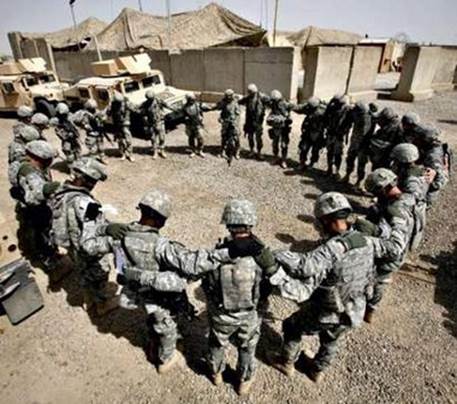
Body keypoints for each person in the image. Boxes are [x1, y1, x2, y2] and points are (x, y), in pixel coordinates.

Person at [270, 192, 407, 381]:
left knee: (292, 326)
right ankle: (317, 370)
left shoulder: (333, 248)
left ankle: (285, 362)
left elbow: (304, 266)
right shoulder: (365, 241)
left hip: (327, 311)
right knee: (332, 338)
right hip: (355, 308)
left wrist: (276, 254)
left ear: (325, 220)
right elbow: (395, 248)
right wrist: (398, 220)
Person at [199, 199, 277, 395]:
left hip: (221, 314)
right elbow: (272, 282)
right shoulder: (262, 255)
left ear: (228, 225)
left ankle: (216, 374)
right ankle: (243, 381)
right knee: (247, 347)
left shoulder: (218, 253)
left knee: (217, 343)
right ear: (250, 225)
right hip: (249, 314)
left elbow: (206, 283)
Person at [48, 157, 118, 316]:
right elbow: (95, 231)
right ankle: (102, 305)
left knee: (83, 272)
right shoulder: (85, 203)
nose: (93, 185)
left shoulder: (62, 191)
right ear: (89, 180)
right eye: (94, 181)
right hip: (86, 248)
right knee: (99, 274)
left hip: (73, 246)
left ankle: (88, 300)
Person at [361, 168, 416, 321]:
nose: (376, 196)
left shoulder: (396, 210)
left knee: (379, 281)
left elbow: (395, 248)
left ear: (384, 189)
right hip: (398, 245)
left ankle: (369, 310)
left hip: (389, 257)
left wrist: (365, 240)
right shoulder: (407, 197)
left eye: (376, 192)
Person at [14, 140, 59, 270]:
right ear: (37, 157)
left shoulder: (38, 166)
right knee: (41, 235)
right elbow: (32, 198)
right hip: (34, 210)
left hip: (40, 208)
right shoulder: (28, 171)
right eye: (48, 159)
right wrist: (47, 190)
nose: (50, 162)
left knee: (45, 233)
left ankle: (48, 252)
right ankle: (45, 258)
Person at [390, 143, 435, 250]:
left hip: (411, 210)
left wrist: (396, 195)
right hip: (415, 208)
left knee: (404, 236)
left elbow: (412, 197)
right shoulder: (417, 169)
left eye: (396, 159)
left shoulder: (411, 178)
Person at [401, 112, 449, 206]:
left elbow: (441, 179)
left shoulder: (433, 155)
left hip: (431, 184)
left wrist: (431, 184)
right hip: (426, 160)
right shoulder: (418, 132)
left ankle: (425, 204)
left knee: (424, 202)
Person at [343, 101, 372, 187]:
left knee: (361, 164)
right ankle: (347, 175)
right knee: (350, 159)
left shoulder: (367, 119)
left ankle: (358, 182)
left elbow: (364, 134)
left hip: (363, 145)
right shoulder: (357, 115)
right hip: (355, 142)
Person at [238, 84, 270, 160]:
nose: (251, 94)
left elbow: (270, 102)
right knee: (250, 137)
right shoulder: (248, 98)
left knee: (258, 138)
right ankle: (251, 150)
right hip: (249, 121)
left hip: (258, 122)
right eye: (250, 93)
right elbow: (240, 101)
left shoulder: (262, 97)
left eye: (252, 92)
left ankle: (259, 152)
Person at [323, 95, 352, 178]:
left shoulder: (347, 110)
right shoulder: (332, 108)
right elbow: (326, 116)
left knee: (337, 154)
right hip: (331, 134)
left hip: (339, 136)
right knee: (330, 153)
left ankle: (337, 171)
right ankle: (329, 169)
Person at [294, 96, 326, 171]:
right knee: (303, 148)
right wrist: (290, 106)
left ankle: (311, 163)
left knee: (315, 150)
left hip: (317, 133)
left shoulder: (323, 111)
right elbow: (298, 109)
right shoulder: (308, 107)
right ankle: (302, 163)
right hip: (307, 132)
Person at [266, 90, 295, 168]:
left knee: (284, 145)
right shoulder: (273, 105)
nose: (275, 102)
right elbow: (269, 117)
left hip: (284, 130)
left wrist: (284, 119)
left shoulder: (286, 105)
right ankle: (276, 158)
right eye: (274, 101)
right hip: (276, 129)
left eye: (276, 101)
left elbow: (290, 119)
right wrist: (271, 119)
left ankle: (283, 160)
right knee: (275, 144)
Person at [177, 93, 212, 157]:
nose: (192, 100)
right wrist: (185, 118)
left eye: (193, 99)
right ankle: (193, 151)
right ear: (188, 99)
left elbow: (208, 108)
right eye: (191, 99)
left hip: (198, 124)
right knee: (191, 138)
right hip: (189, 125)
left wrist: (208, 107)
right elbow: (181, 116)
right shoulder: (184, 107)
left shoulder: (198, 105)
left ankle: (200, 150)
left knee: (200, 138)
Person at [106, 92, 135, 161]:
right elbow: (108, 113)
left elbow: (134, 109)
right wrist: (109, 105)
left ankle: (130, 154)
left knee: (128, 140)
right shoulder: (112, 104)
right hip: (117, 124)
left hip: (125, 123)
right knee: (120, 140)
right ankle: (123, 154)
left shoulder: (126, 102)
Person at [214, 89, 241, 162]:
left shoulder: (235, 103)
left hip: (234, 123)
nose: (228, 98)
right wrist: (220, 119)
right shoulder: (223, 102)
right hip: (226, 123)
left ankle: (237, 152)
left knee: (236, 138)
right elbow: (220, 111)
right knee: (224, 137)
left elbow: (238, 114)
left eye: (230, 96)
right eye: (227, 96)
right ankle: (222, 151)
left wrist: (235, 122)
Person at [140, 90, 168, 159]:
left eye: (151, 99)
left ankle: (162, 150)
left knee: (162, 138)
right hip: (151, 124)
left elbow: (166, 105)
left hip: (160, 122)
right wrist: (145, 120)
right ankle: (155, 152)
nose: (150, 100)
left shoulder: (158, 101)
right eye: (149, 99)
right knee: (153, 139)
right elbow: (142, 113)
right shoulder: (145, 104)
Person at [54, 103, 82, 169]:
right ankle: (71, 169)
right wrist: (67, 135)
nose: (64, 116)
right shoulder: (58, 122)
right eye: (63, 115)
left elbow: (75, 127)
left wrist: (76, 133)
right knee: (69, 155)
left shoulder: (69, 119)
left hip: (74, 139)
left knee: (77, 151)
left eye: (65, 115)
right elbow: (58, 132)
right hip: (67, 141)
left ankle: (78, 166)